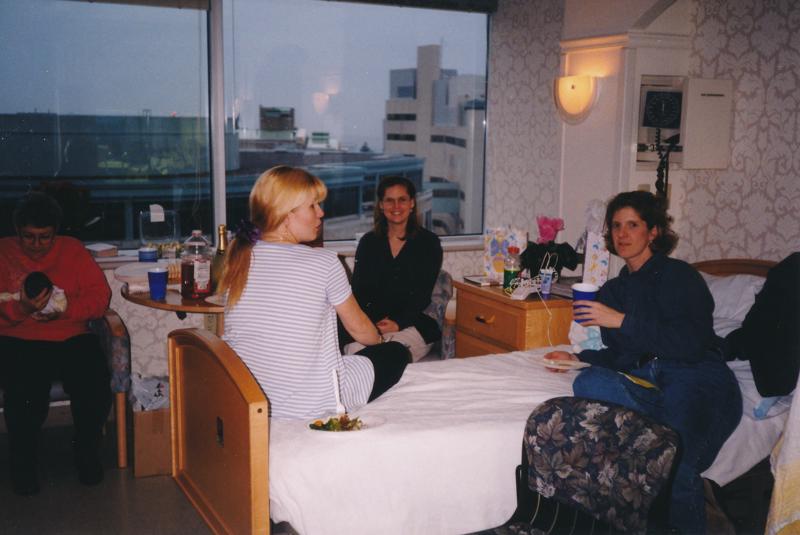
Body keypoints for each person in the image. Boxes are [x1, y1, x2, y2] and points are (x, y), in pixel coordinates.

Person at [544, 191, 742, 534]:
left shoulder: (680, 276)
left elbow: (691, 343)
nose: (622, 234)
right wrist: (577, 358)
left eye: (633, 225)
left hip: (695, 377)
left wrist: (620, 320)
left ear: (653, 232)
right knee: (588, 381)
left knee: (673, 466)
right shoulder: (613, 291)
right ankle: (675, 459)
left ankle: (692, 497)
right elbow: (621, 356)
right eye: (616, 226)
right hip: (648, 381)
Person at [218, 165, 409, 419]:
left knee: (348, 357)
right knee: (396, 352)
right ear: (286, 213)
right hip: (311, 402)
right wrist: (380, 342)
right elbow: (360, 330)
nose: (321, 213)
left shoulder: (237, 261)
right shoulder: (324, 262)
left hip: (249, 396)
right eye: (313, 206)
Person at [0, 192, 112, 495]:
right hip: (18, 337)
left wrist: (65, 310)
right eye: (29, 236)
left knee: (94, 381)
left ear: (56, 232)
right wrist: (21, 309)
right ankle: (23, 465)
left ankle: (86, 452)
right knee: (24, 392)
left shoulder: (72, 250)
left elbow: (99, 297)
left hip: (70, 334)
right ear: (17, 231)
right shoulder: (3, 252)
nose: (36, 244)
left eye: (45, 237)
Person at [343, 176, 443, 362]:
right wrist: (371, 325)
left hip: (412, 325)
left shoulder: (428, 243)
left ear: (412, 203)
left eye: (402, 199)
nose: (396, 206)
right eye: (389, 200)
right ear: (381, 205)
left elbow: (422, 296)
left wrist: (398, 323)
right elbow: (359, 292)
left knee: (387, 357)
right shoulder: (368, 243)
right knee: (355, 353)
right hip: (373, 323)